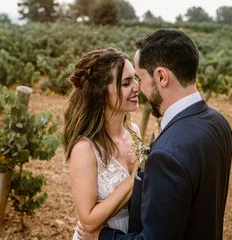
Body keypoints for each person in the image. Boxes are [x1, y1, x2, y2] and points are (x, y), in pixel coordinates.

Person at [95, 29, 232, 239]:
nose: (137, 88)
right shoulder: (218, 123)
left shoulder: (167, 154)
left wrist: (102, 236)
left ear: (161, 76)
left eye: (140, 78)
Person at [63, 48, 141, 240]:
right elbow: (88, 220)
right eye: (126, 83)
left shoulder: (134, 131)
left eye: (136, 79)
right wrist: (134, 179)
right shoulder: (85, 149)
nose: (137, 87)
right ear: (101, 93)